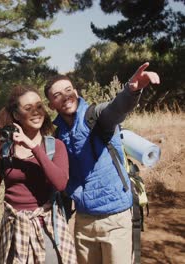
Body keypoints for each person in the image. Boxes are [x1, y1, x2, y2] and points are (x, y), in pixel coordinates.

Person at [43, 62, 160, 264]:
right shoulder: (58, 135)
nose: (65, 96)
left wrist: (131, 90)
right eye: (57, 95)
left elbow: (115, 109)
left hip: (115, 218)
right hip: (84, 221)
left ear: (76, 92)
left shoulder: (95, 116)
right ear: (51, 104)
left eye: (68, 90)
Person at [0, 84, 77, 264]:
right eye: (28, 108)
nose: (36, 112)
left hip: (46, 231)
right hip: (14, 231)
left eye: (39, 106)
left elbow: (60, 184)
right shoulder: (6, 150)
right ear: (17, 115)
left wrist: (33, 147)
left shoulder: (54, 146)